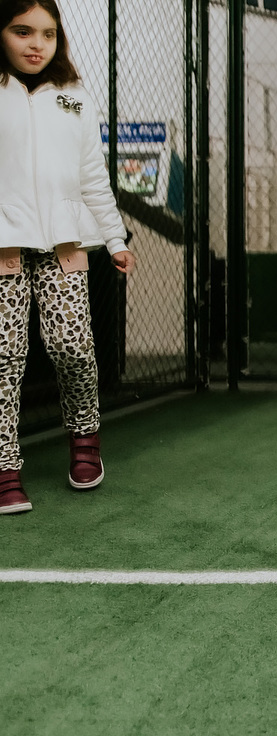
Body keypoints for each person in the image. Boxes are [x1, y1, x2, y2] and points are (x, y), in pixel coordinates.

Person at [0, 0, 135, 514]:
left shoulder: (74, 96)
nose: (37, 44)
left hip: (63, 244)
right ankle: (5, 470)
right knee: (4, 358)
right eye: (22, 31)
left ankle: (85, 442)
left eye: (48, 34)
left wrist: (116, 239)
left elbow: (92, 178)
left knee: (72, 347)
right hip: (4, 246)